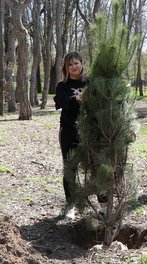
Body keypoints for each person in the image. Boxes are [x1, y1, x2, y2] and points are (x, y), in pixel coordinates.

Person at [54, 51, 89, 219]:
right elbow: (62, 103)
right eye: (70, 64)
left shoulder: (91, 83)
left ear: (82, 64)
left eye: (76, 63)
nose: (73, 67)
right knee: (70, 168)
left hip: (90, 131)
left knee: (96, 166)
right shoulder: (62, 86)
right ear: (66, 68)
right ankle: (71, 204)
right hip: (68, 131)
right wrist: (76, 99)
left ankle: (104, 202)